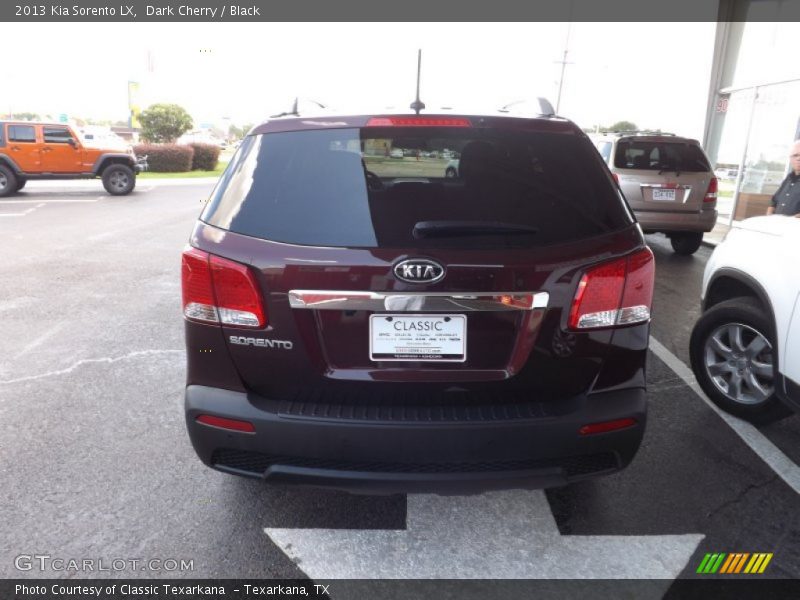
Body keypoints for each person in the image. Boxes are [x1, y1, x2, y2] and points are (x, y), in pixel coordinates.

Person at [767, 140, 800, 217]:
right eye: (795, 155)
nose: (798, 158)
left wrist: (791, 220)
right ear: (790, 158)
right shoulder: (788, 178)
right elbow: (773, 202)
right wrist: (769, 216)